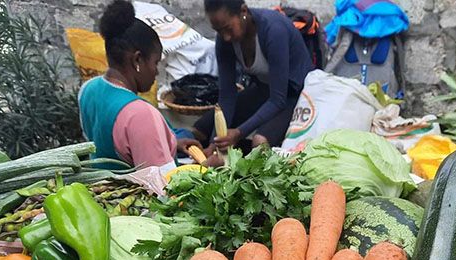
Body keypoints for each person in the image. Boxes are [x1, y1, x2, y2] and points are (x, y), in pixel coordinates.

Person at [78, 0, 199, 173]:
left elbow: (111, 143)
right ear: (137, 60)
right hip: (136, 197)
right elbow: (165, 189)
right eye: (155, 63)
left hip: (105, 189)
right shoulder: (140, 114)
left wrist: (171, 142)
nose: (156, 72)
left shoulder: (88, 89)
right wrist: (208, 168)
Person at [194, 0, 314, 163]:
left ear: (243, 11)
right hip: (263, 90)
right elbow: (227, 96)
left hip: (293, 95)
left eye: (228, 29)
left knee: (259, 142)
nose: (225, 37)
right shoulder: (224, 40)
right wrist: (215, 143)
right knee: (200, 129)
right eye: (219, 31)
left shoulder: (274, 31)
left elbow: (278, 100)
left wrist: (238, 132)